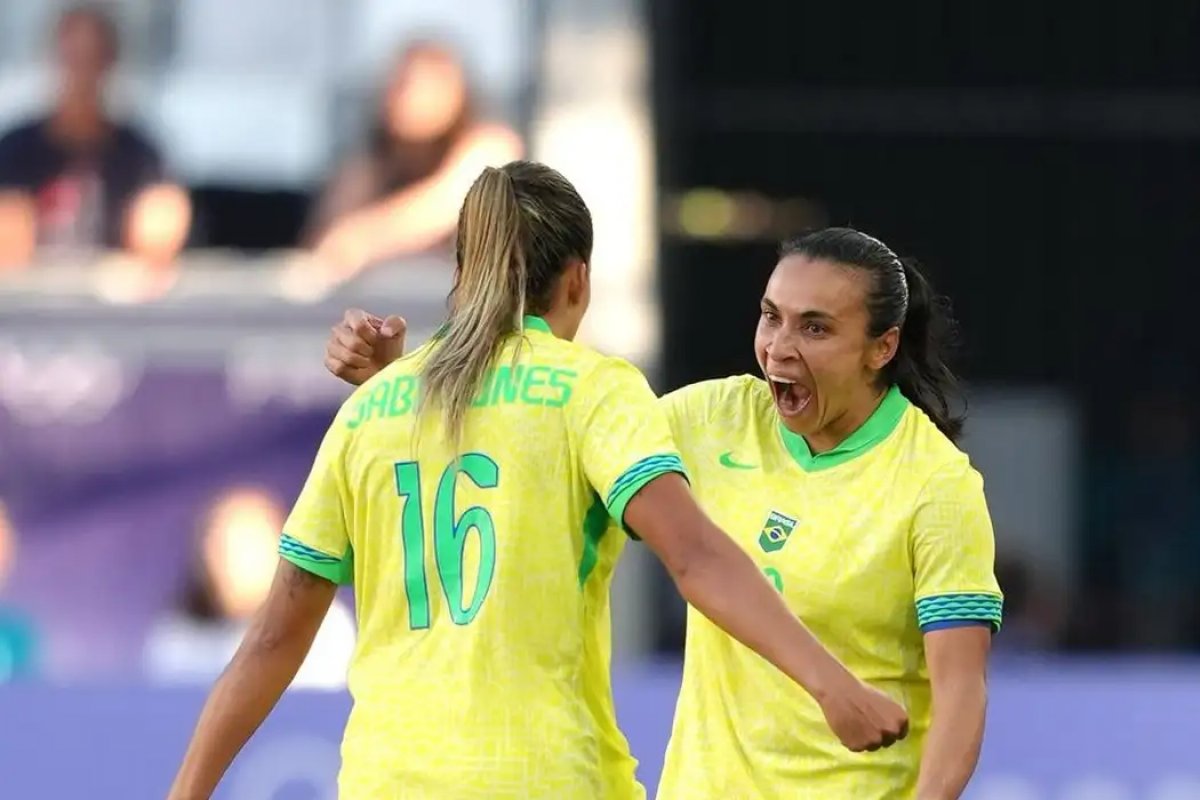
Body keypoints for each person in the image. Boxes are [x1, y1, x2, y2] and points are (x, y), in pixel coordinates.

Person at [168, 163, 906, 800]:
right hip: (543, 776)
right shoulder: (591, 389)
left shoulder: (373, 408)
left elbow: (270, 641)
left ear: (463, 275)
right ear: (578, 279)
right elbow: (695, 557)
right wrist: (831, 685)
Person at [324, 226, 1003, 799]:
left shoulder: (934, 486)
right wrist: (403, 381)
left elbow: (960, 693)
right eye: (771, 316)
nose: (779, 347)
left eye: (815, 328)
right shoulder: (711, 418)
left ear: (881, 347)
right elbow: (539, 437)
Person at [305, 39, 522, 278]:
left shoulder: (492, 146)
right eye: (398, 83)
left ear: (456, 92)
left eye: (422, 85)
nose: (404, 97)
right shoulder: (373, 161)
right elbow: (329, 239)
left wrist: (361, 240)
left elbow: (443, 205)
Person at [0, 4, 191, 270]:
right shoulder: (15, 148)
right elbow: (9, 247)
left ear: (110, 63)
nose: (82, 73)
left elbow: (158, 241)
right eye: (73, 58)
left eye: (93, 58)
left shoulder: (140, 154)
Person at [144, 486, 354, 690]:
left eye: (243, 551)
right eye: (218, 552)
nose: (225, 566)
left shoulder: (325, 630)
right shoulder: (176, 642)